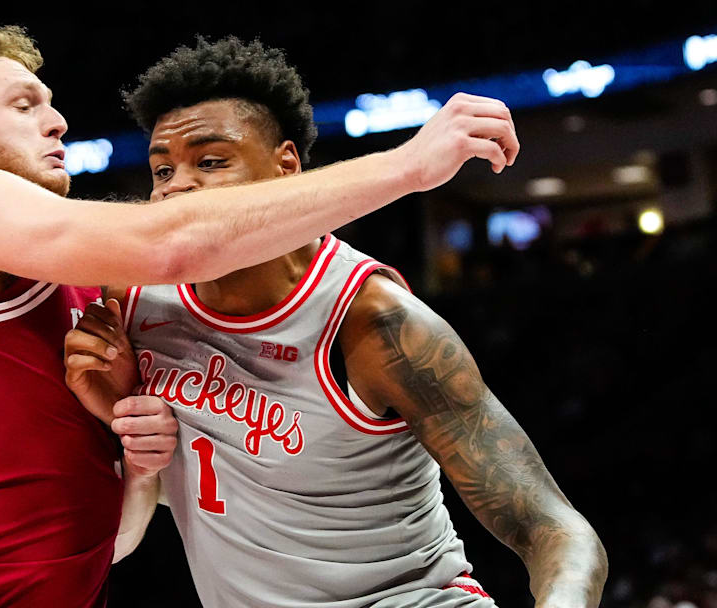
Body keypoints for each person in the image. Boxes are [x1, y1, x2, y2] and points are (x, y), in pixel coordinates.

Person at [0, 22, 520, 608]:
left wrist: (137, 458)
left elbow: (115, 539)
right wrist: (408, 166)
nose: (56, 120)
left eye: (50, 102)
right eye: (22, 105)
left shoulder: (76, 286)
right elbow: (174, 244)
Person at [64, 37, 605, 608]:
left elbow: (557, 531)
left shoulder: (374, 322)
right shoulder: (131, 302)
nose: (177, 185)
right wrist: (122, 419)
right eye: (162, 169)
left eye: (211, 161)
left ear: (287, 167)